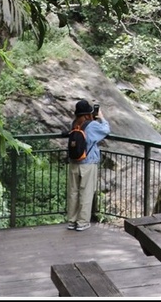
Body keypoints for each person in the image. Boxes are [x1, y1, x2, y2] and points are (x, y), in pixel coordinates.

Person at [65, 99, 110, 231]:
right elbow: (106, 130)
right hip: (88, 163)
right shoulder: (92, 125)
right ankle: (82, 222)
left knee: (73, 192)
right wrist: (101, 118)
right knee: (86, 192)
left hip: (74, 162)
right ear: (87, 114)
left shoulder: (74, 124)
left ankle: (71, 221)